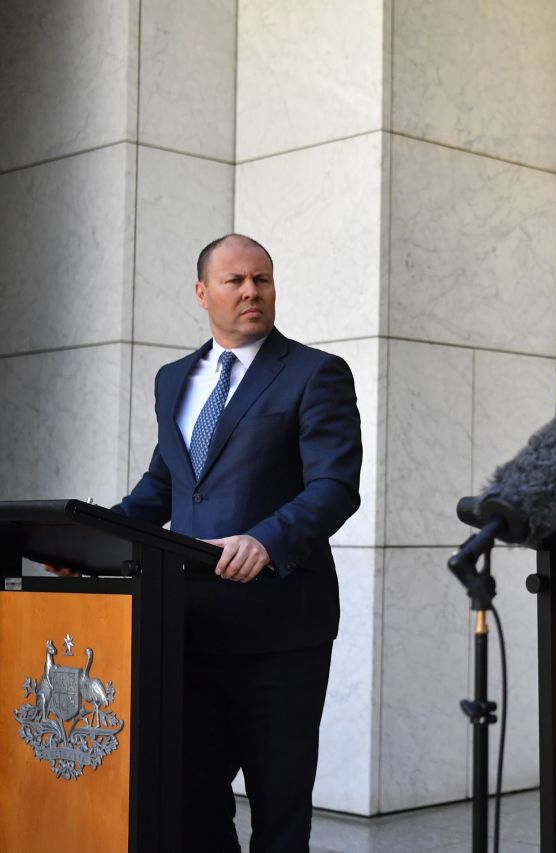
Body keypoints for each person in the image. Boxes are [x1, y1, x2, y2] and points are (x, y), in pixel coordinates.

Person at [113, 234, 360, 852]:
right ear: (202, 293)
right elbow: (164, 485)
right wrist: (92, 543)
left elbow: (334, 486)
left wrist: (265, 541)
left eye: (263, 279)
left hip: (280, 632)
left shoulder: (315, 373)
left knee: (279, 814)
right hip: (184, 630)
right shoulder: (174, 379)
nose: (252, 291)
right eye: (235, 281)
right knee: (190, 804)